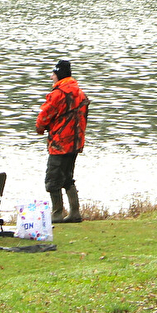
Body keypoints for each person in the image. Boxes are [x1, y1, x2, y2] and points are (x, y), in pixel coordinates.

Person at [35, 59, 89, 223]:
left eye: (53, 74)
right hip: (75, 143)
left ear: (59, 75)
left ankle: (57, 213)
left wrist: (40, 128)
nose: (52, 77)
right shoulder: (80, 93)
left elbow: (44, 116)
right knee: (67, 178)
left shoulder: (58, 94)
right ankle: (74, 212)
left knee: (52, 180)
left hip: (60, 143)